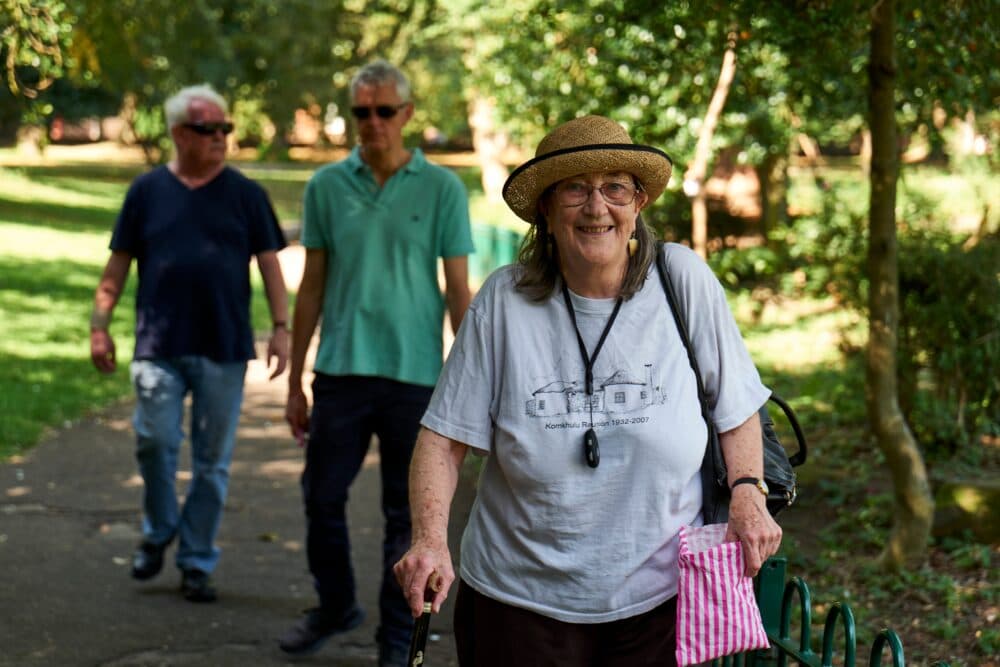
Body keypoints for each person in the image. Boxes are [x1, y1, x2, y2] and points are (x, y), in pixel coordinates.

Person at [393, 115, 783, 666]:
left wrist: (748, 493)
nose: (597, 207)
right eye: (575, 188)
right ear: (547, 212)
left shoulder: (683, 281)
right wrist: (430, 539)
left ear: (639, 202)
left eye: (615, 187)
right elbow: (441, 440)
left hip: (660, 601)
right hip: (518, 604)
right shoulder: (504, 303)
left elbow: (736, 407)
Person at [278, 60, 473, 666]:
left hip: (415, 379)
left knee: (405, 516)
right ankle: (335, 605)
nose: (372, 122)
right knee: (321, 497)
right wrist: (296, 380)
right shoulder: (326, 187)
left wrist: (473, 384)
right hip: (340, 372)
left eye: (384, 111)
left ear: (407, 115)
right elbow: (311, 285)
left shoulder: (442, 188)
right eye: (361, 111)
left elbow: (457, 290)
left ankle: (396, 639)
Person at [89, 84, 289, 603]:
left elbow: (270, 263)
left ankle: (196, 559)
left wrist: (282, 328)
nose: (222, 137)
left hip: (224, 347)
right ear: (179, 134)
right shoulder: (146, 192)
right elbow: (118, 263)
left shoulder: (246, 194)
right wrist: (99, 324)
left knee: (211, 462)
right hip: (158, 344)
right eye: (209, 129)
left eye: (226, 128)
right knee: (155, 442)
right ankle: (159, 531)